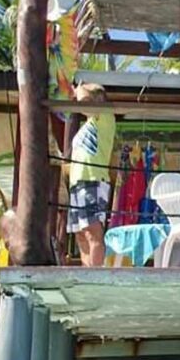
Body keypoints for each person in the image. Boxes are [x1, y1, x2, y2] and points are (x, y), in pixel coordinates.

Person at [67, 82, 116, 266]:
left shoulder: (104, 115)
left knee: (92, 231)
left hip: (93, 179)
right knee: (80, 233)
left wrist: (78, 88)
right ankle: (86, 271)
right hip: (78, 181)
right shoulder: (88, 123)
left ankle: (94, 275)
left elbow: (87, 100)